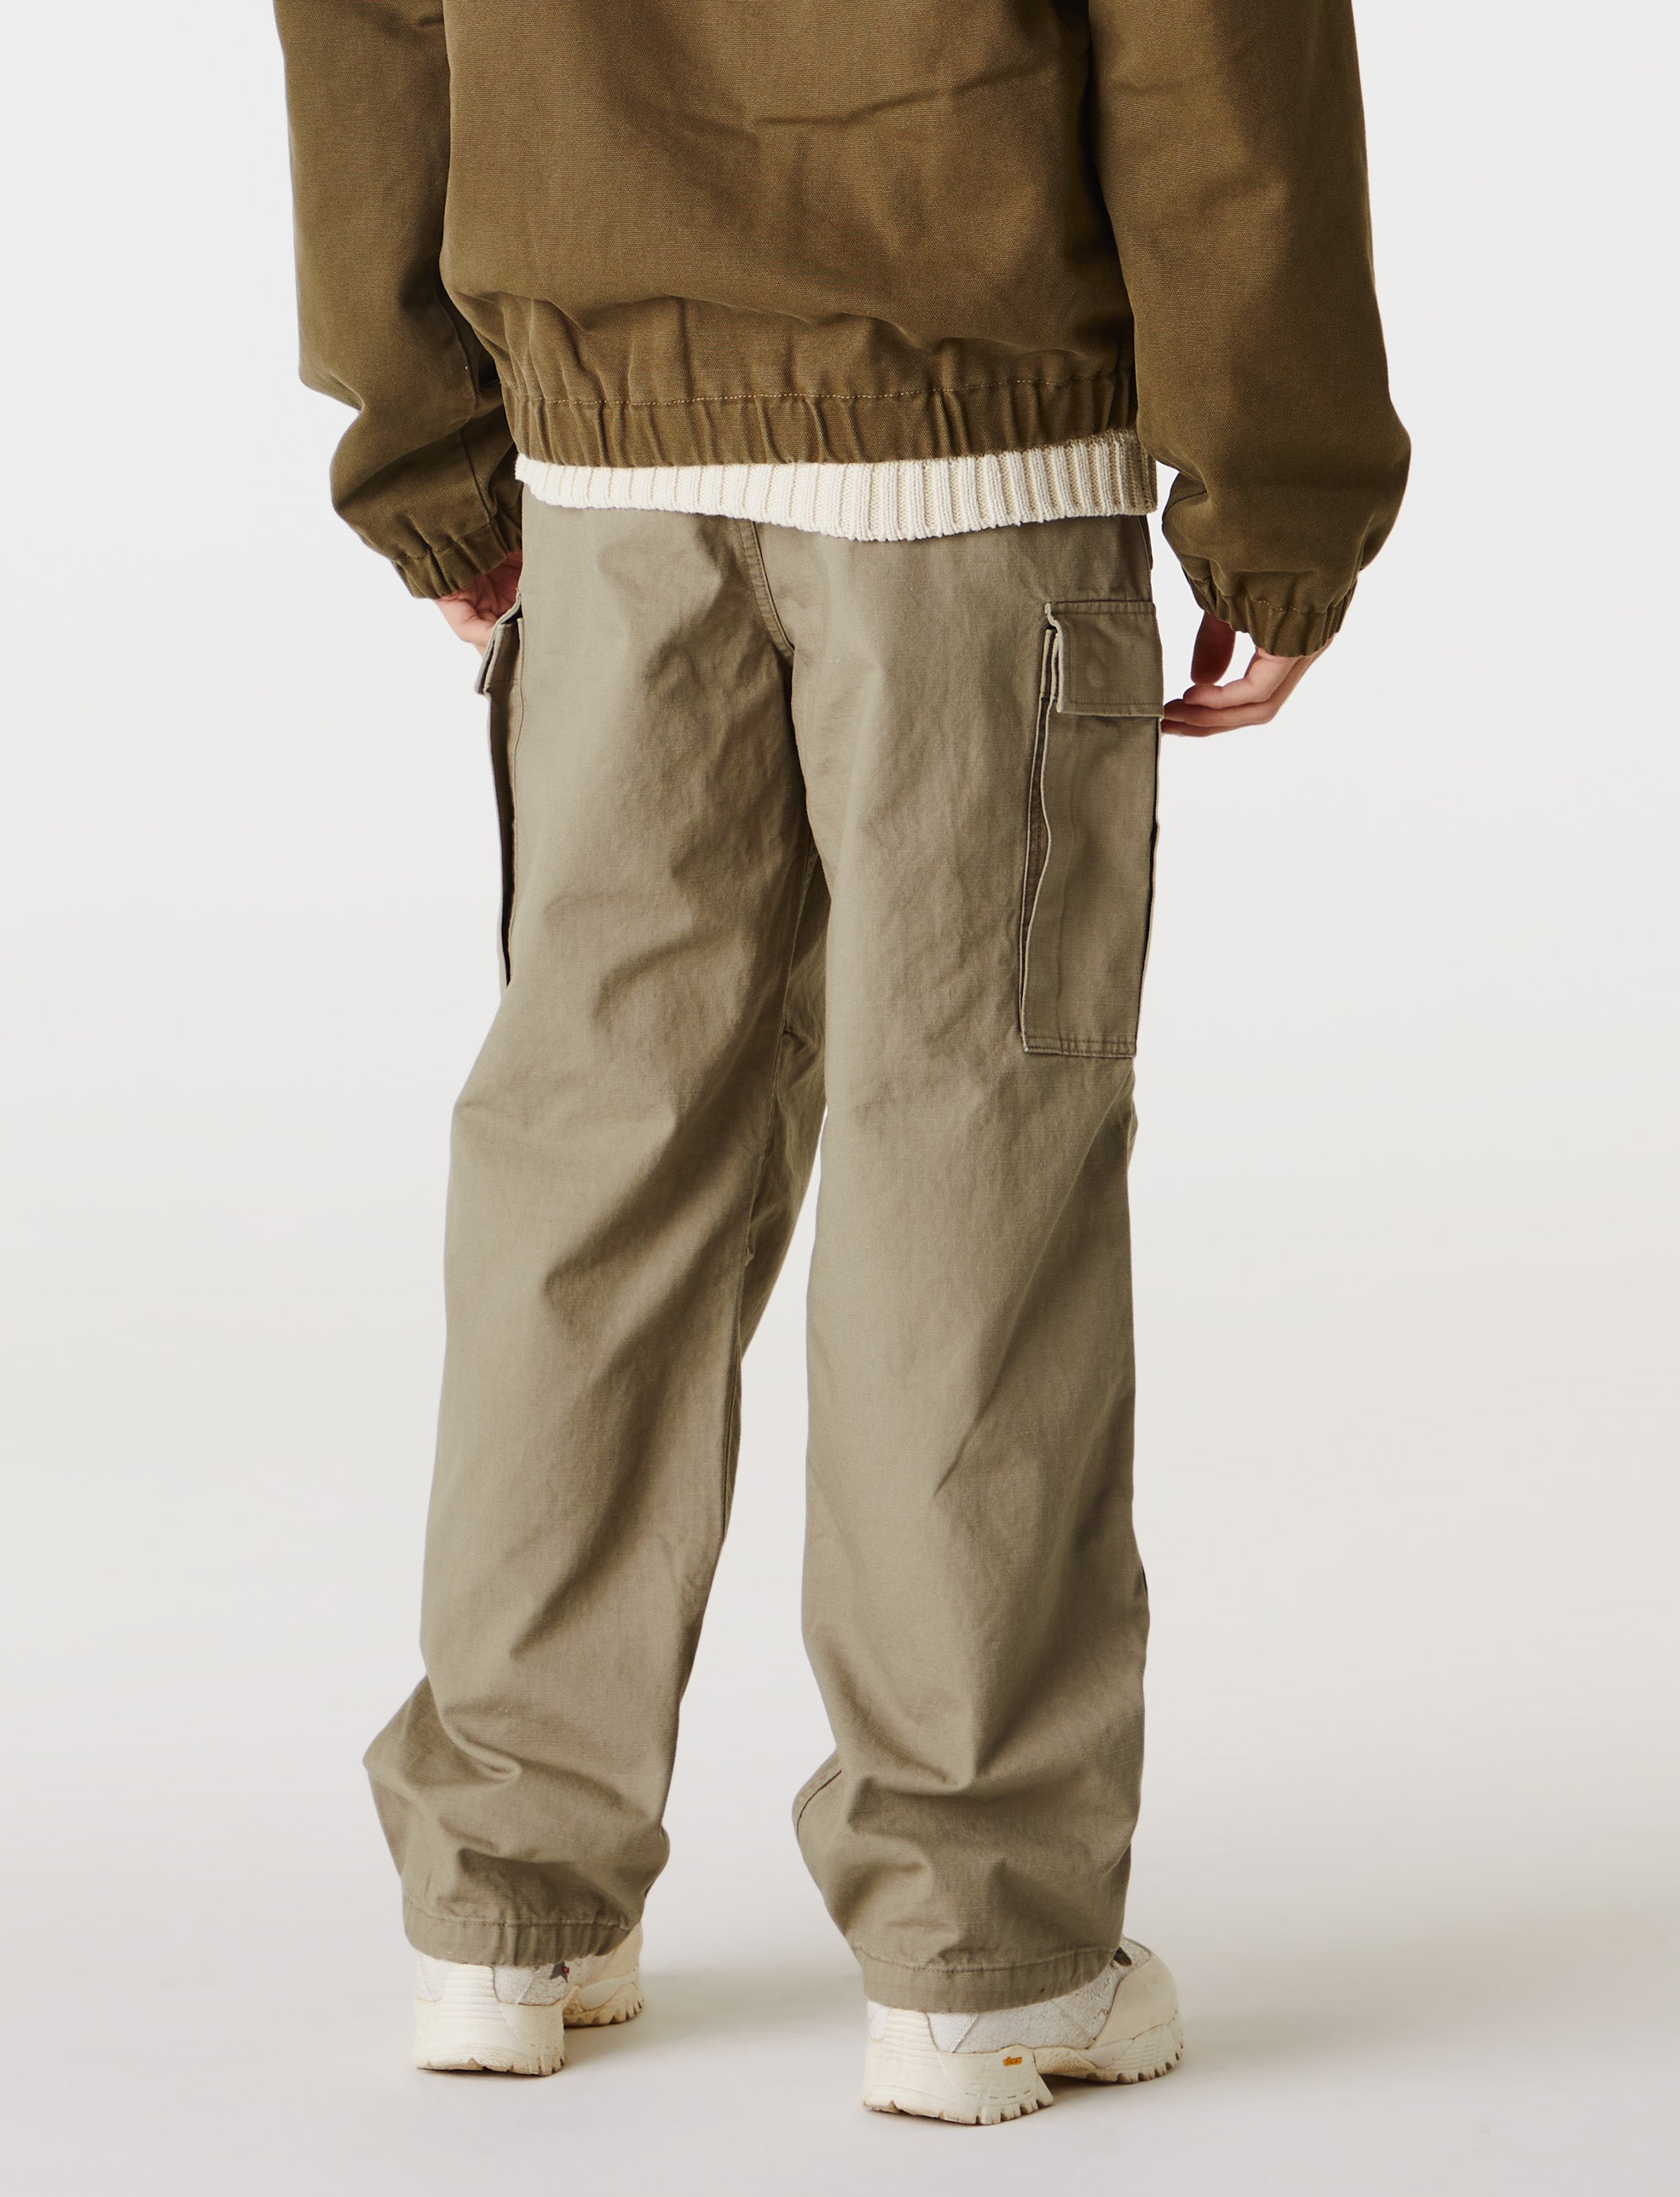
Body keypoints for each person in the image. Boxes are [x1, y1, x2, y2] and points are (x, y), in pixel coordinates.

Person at [274, 0, 1406, 2125]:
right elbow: (1214, 43)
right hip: (970, 459)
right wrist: (1281, 492)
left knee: (589, 1159)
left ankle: (505, 1908)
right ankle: (981, 1940)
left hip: (610, 469)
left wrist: (432, 444)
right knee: (964, 1168)